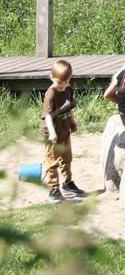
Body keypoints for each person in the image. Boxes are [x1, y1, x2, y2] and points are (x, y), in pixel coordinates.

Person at [42, 60, 83, 202]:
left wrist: (73, 121)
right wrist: (52, 132)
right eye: (59, 83)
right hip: (52, 133)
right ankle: (53, 189)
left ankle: (68, 183)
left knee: (67, 158)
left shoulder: (68, 89)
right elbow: (47, 115)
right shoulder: (51, 94)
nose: (63, 86)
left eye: (66, 82)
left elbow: (68, 107)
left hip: (64, 130)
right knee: (52, 162)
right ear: (51, 77)